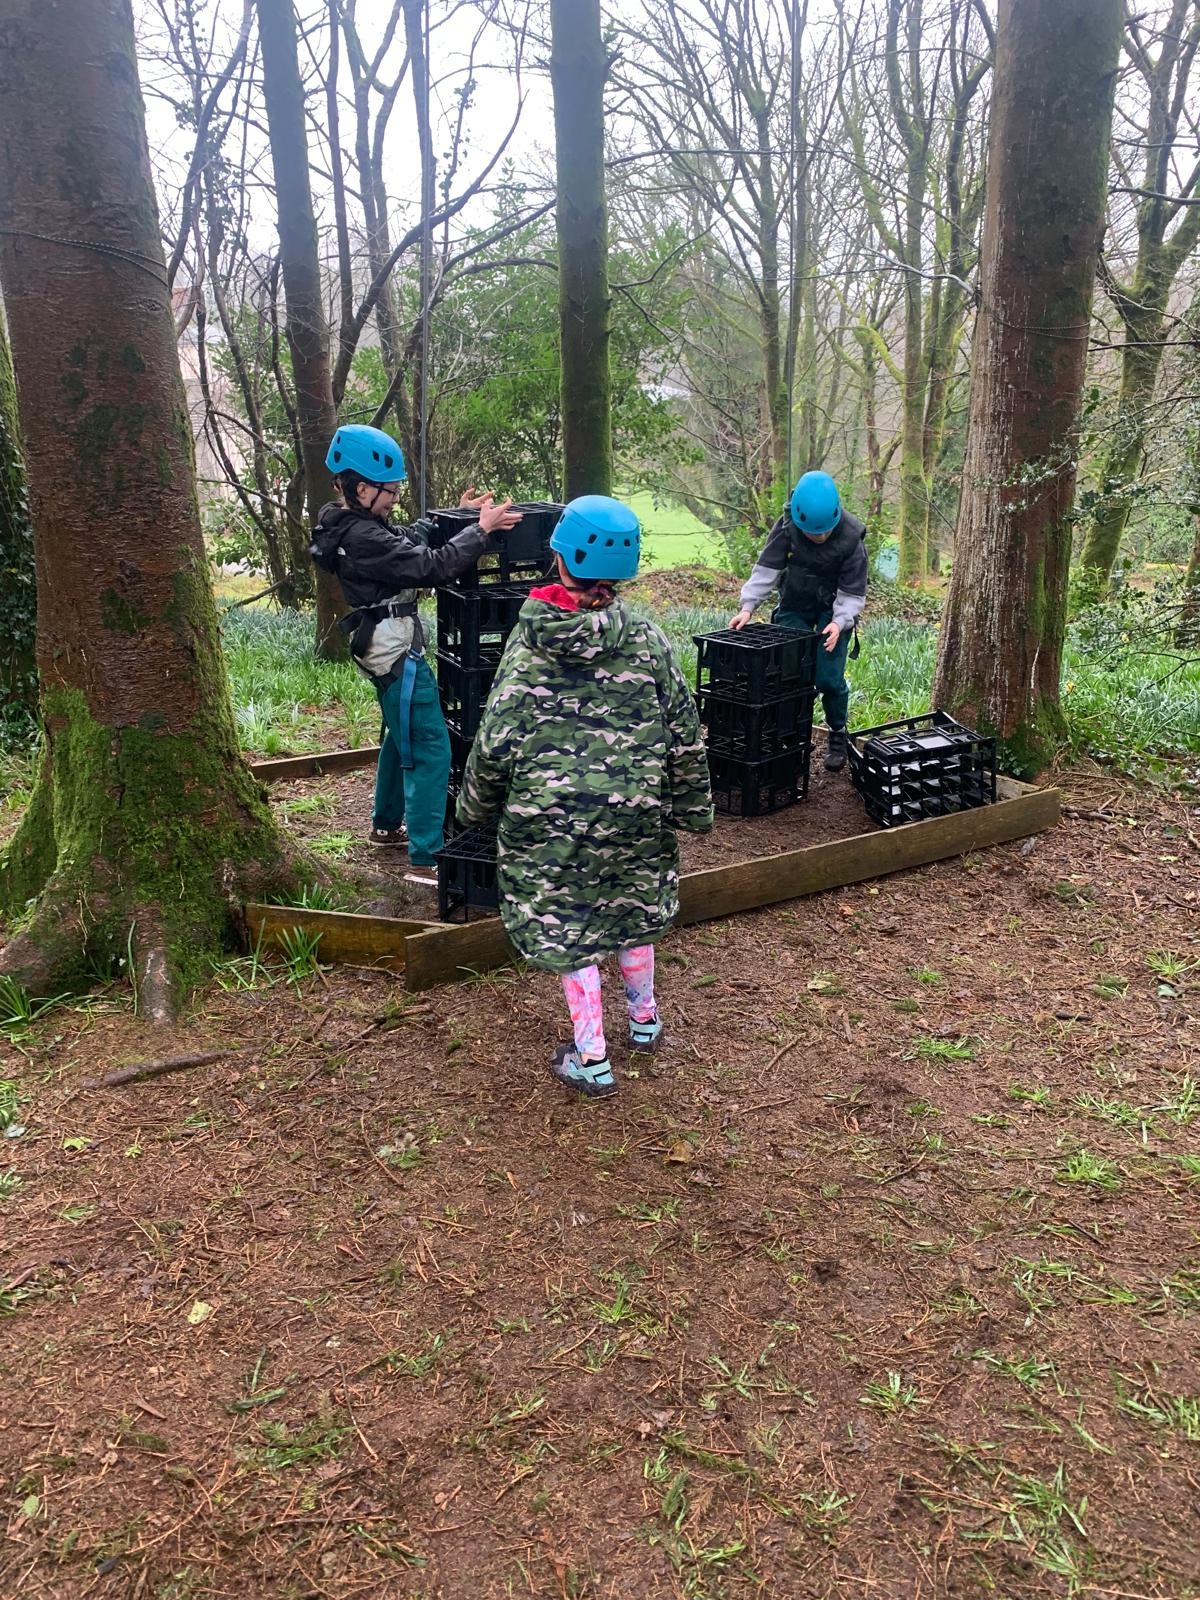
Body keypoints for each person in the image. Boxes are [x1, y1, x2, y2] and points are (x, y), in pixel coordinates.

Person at [455, 494, 714, 1099]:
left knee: (567, 925)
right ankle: (644, 1021)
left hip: (549, 826)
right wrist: (692, 808)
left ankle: (592, 1057)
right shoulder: (648, 639)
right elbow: (684, 731)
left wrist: (472, 809)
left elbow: (494, 741)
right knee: (631, 908)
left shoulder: (528, 647)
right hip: (636, 815)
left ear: (560, 556)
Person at [310, 423, 521, 882]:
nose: (395, 498)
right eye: (390, 491)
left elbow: (403, 541)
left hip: (378, 644)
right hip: (393, 650)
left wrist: (456, 516)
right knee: (429, 746)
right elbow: (432, 566)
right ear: (362, 488)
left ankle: (386, 826)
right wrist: (480, 531)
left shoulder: (349, 522)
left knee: (398, 730)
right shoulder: (362, 536)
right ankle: (427, 859)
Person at [728, 470, 867, 772]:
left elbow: (853, 592)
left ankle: (837, 732)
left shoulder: (851, 537)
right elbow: (767, 569)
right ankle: (790, 734)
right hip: (794, 603)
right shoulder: (787, 527)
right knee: (789, 673)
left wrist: (839, 622)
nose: (820, 537)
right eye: (813, 533)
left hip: (834, 609)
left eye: (825, 532)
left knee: (828, 678)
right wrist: (748, 607)